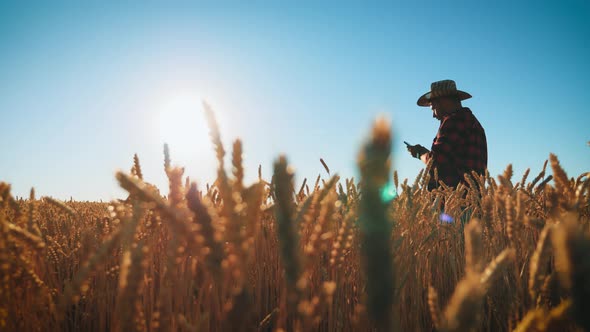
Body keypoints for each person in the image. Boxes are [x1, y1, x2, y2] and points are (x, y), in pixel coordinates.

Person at [407, 80, 487, 190]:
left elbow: (434, 162)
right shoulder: (474, 124)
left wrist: (419, 153)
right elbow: (447, 158)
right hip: (471, 199)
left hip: (453, 200)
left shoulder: (453, 122)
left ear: (443, 101)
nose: (433, 115)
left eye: (433, 108)